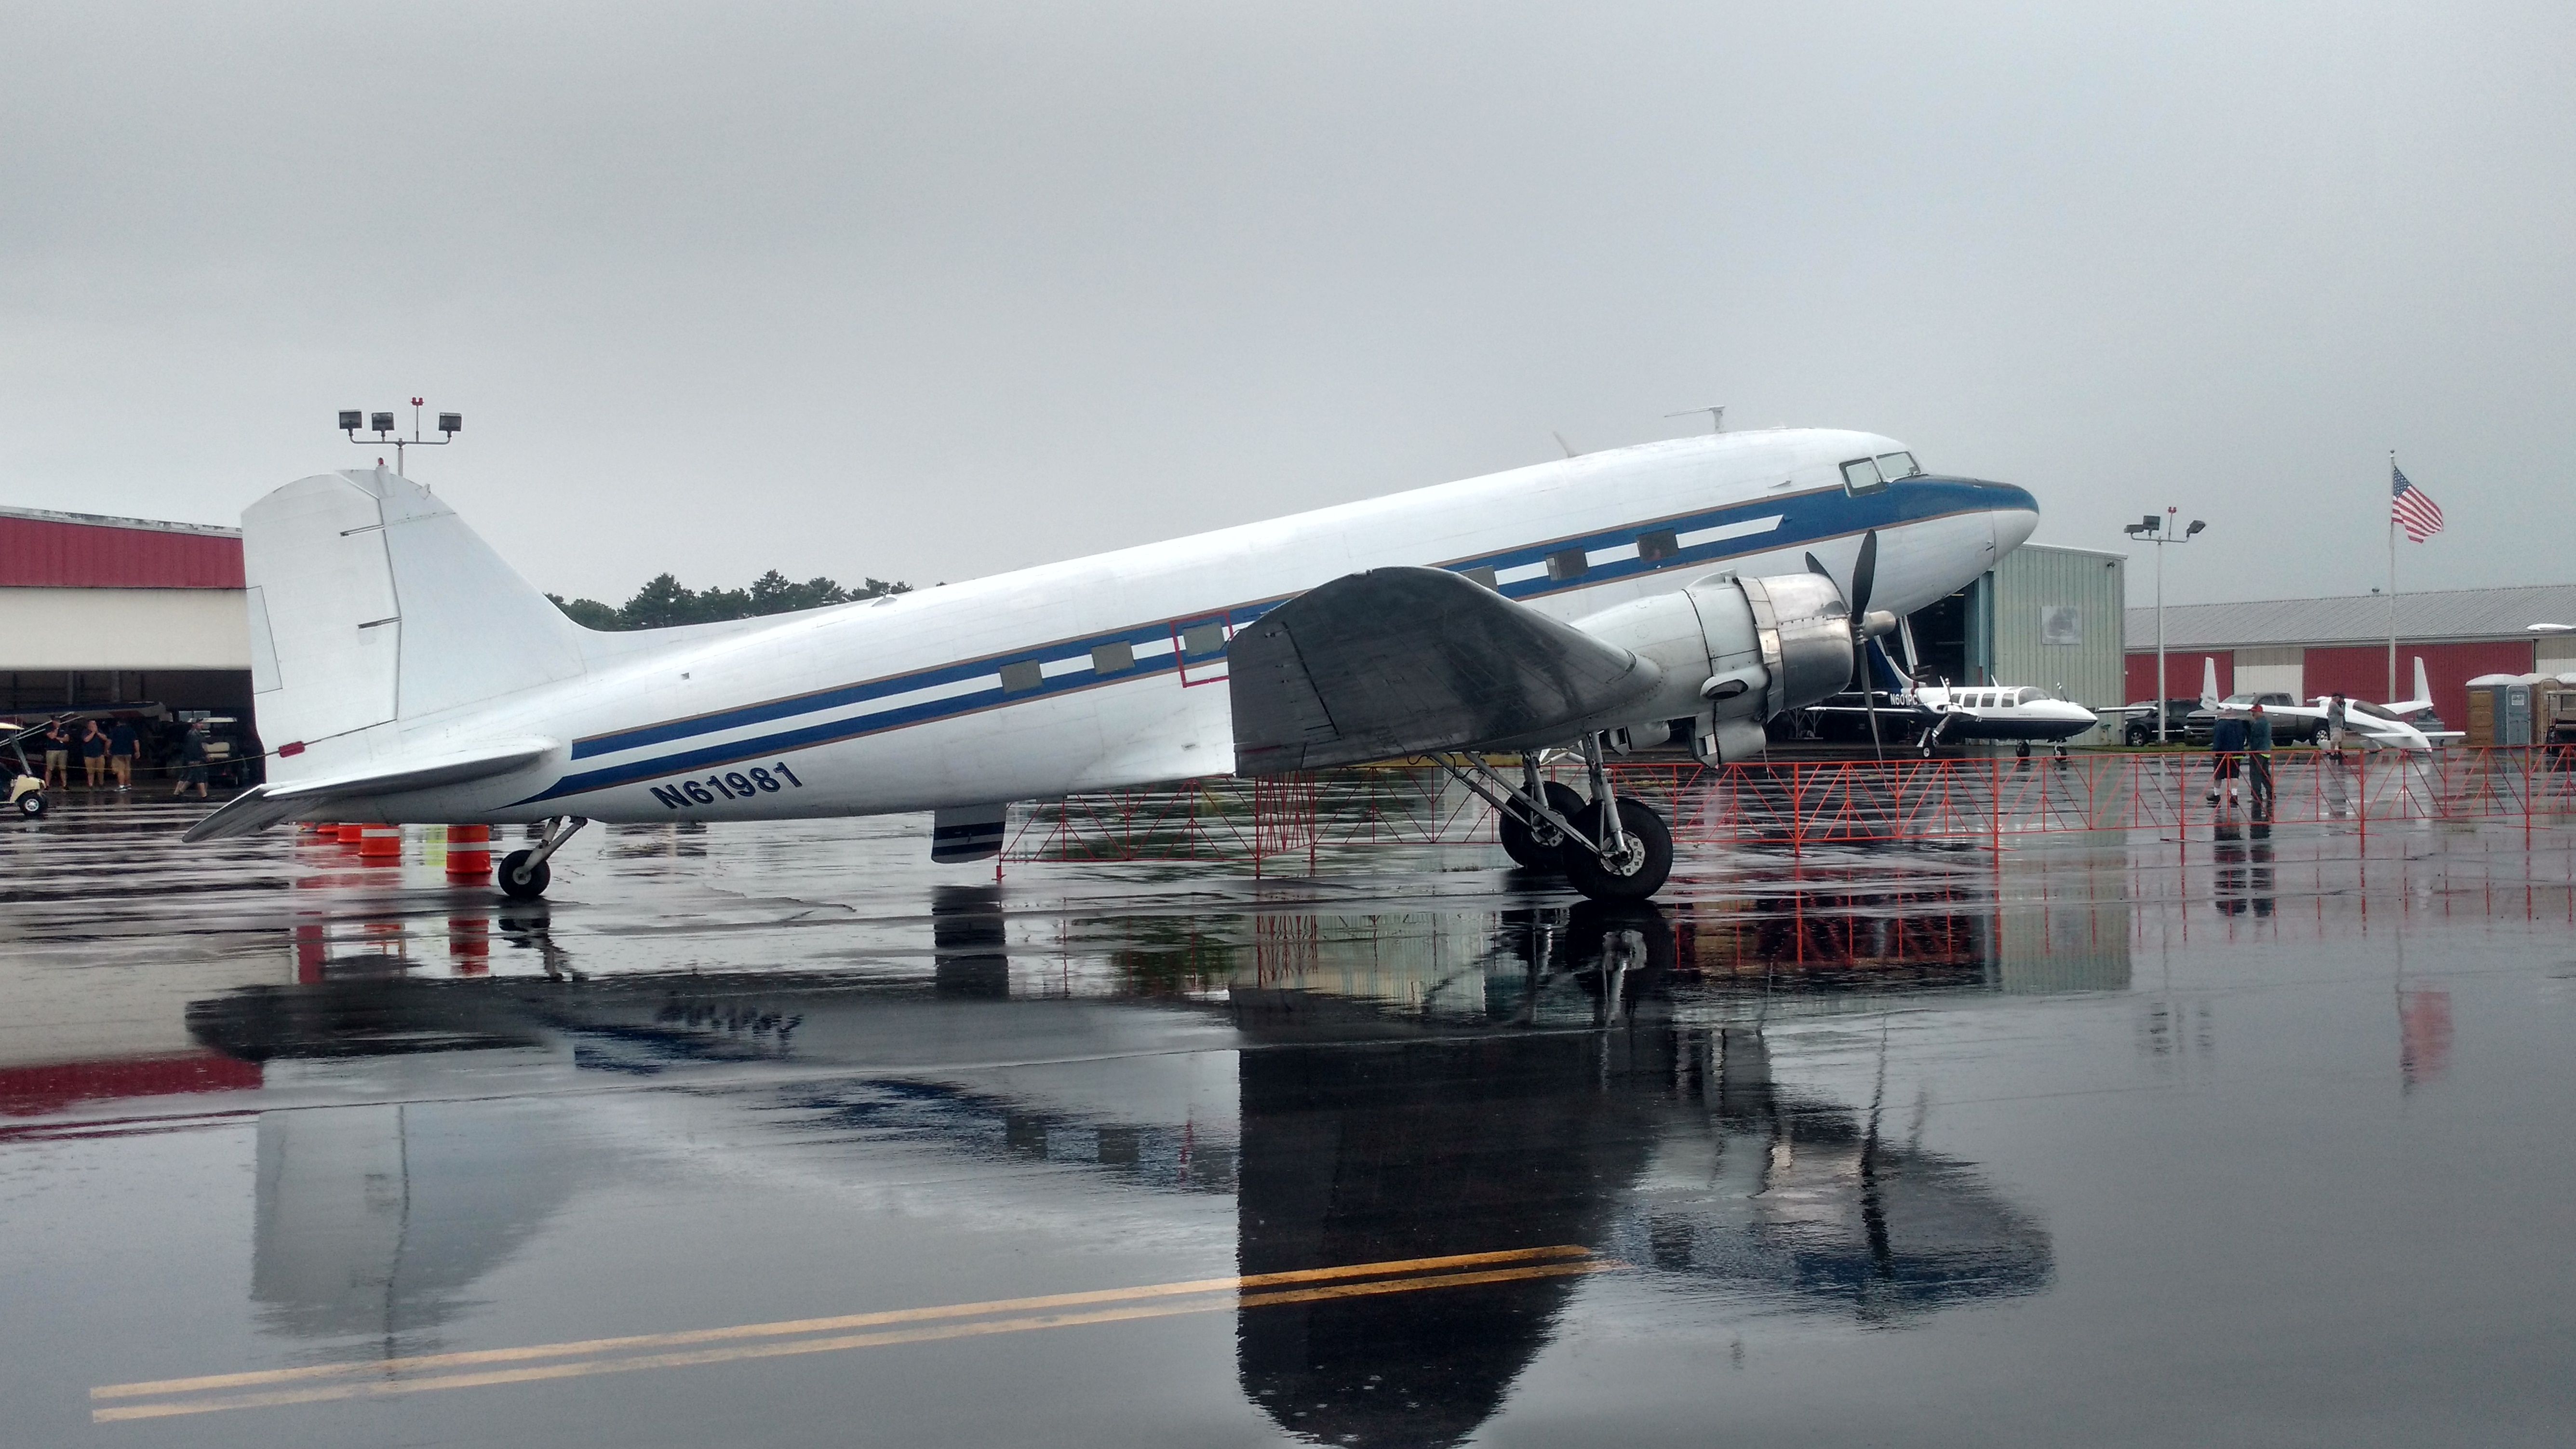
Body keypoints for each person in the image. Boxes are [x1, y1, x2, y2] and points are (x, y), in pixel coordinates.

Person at [2206, 711, 2247, 805]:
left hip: (2222, 753)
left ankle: (2217, 795)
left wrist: (2215, 750)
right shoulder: (2240, 724)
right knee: (2234, 775)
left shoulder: (2221, 724)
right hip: (2237, 753)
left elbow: (2218, 738)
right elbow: (2244, 737)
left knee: (2218, 775)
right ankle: (2234, 795)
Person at [2246, 702, 2275, 811]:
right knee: (2264, 774)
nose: (2253, 715)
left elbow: (2255, 739)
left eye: (2254, 713)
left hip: (2258, 752)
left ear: (2259, 712)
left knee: (2255, 775)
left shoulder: (2258, 724)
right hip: (2266, 751)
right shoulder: (2267, 722)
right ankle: (2271, 794)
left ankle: (2257, 796)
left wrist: (2251, 749)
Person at [173, 720, 210, 799]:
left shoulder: (197, 734)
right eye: (200, 723)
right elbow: (193, 749)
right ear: (194, 725)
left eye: (202, 723)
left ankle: (179, 792)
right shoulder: (193, 735)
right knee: (200, 777)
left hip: (194, 758)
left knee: (191, 776)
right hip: (194, 759)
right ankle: (204, 796)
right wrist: (196, 759)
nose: (202, 725)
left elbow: (200, 747)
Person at [107, 717, 139, 793]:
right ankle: (128, 784)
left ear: (118, 723)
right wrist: (137, 751)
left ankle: (121, 786)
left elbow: (109, 741)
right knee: (127, 769)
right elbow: (136, 741)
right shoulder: (131, 730)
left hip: (117, 753)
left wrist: (107, 750)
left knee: (120, 770)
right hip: (128, 752)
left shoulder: (115, 730)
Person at [79, 719, 108, 789]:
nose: (95, 725)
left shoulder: (100, 731)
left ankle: (101, 784)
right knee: (90, 772)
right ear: (89, 725)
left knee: (101, 771)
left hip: (100, 754)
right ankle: (91, 785)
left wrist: (97, 732)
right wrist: (93, 733)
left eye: (95, 724)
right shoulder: (85, 732)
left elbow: (105, 738)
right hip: (89, 755)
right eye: (93, 724)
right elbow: (86, 740)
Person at [41, 721, 71, 790]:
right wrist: (57, 729)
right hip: (52, 750)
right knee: (50, 768)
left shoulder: (64, 728)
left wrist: (58, 738)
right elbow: (52, 736)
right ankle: (48, 785)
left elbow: (67, 739)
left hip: (62, 751)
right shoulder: (49, 728)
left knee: (63, 768)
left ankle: (65, 785)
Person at [2326, 692, 2349, 756]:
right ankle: (2333, 753)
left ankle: (2339, 752)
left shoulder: (2333, 705)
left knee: (2340, 740)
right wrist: (2343, 706)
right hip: (2335, 725)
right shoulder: (2334, 704)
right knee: (2336, 739)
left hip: (2338, 725)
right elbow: (2342, 713)